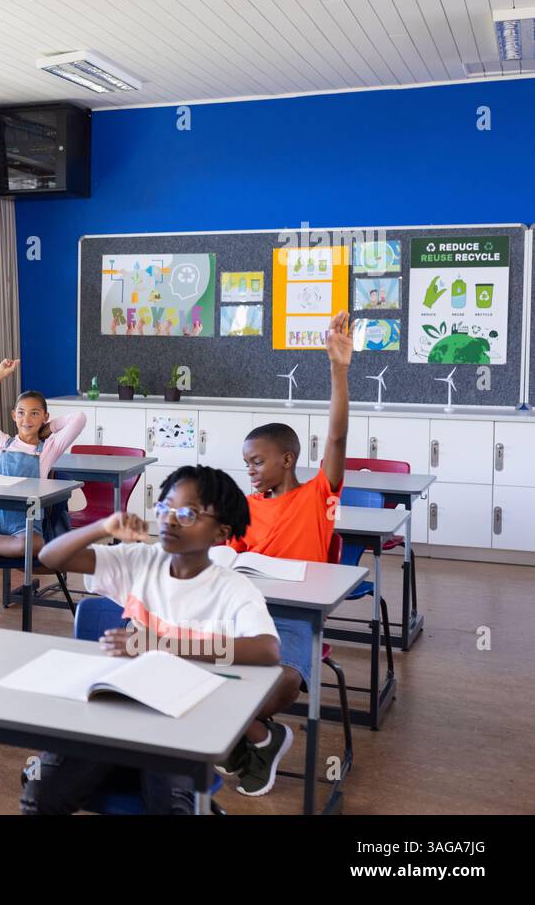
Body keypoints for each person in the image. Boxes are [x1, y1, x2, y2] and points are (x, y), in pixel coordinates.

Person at [27, 466, 279, 814]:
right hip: (117, 711)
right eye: (164, 509)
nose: (171, 521)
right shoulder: (140, 560)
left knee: (170, 807)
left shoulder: (232, 588)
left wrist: (161, 645)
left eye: (188, 514)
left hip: (182, 722)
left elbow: (267, 649)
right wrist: (102, 527)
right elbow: (50, 557)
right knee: (40, 797)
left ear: (221, 532)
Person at [218, 310, 352, 797]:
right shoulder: (246, 508)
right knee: (190, 665)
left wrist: (338, 370)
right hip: (247, 613)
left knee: (278, 683)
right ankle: (260, 735)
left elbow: (336, 438)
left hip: (296, 619)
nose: (250, 471)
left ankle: (240, 731)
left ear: (287, 459)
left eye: (257, 462)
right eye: (246, 463)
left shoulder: (318, 497)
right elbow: (228, 560)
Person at [0, 358, 85, 631]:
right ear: (13, 415)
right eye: (21, 413)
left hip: (25, 528)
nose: (26, 419)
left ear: (44, 417)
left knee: (29, 547)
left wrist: (48, 429)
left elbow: (79, 418)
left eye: (34, 413)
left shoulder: (49, 448)